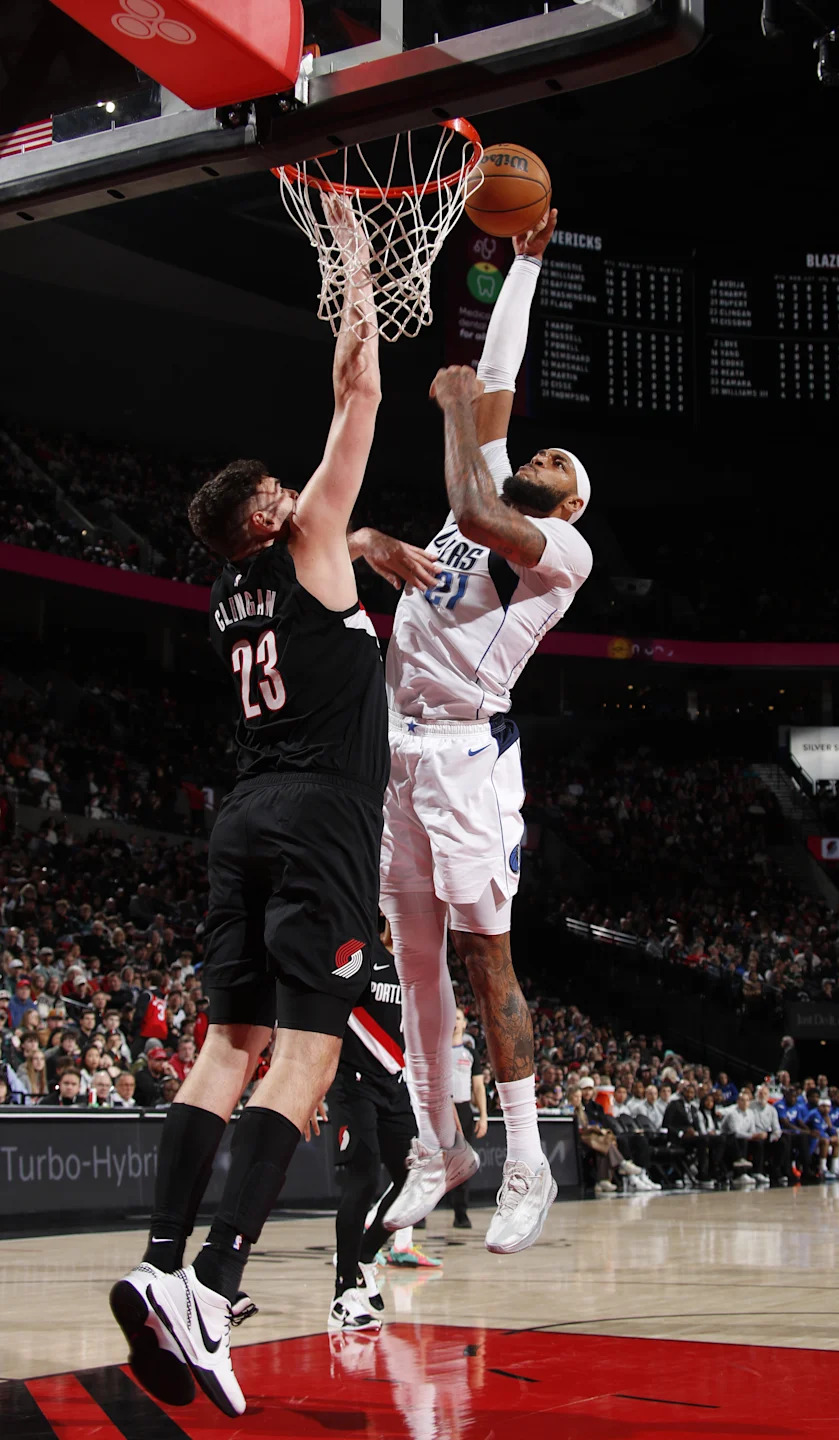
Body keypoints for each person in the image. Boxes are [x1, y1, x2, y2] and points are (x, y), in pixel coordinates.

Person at [108, 201, 428, 1421]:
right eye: (292, 492)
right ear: (269, 514)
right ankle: (215, 1287)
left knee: (221, 1050)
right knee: (308, 1051)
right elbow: (360, 390)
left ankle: (158, 1258)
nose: (309, 493)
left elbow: (331, 556)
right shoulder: (305, 541)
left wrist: (369, 544)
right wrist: (355, 259)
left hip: (240, 814)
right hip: (318, 816)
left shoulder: (227, 594)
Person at [379, 211, 592, 1254]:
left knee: (484, 961)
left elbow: (473, 482)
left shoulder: (553, 549)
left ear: (573, 502)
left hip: (468, 759)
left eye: (555, 457)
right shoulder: (492, 494)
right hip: (398, 749)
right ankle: (439, 1146)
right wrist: (526, 265)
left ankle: (528, 1164)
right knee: (413, 962)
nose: (538, 452)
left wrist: (459, 411)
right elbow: (499, 372)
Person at [325, 916, 424, 1332]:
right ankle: (343, 1292)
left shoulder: (416, 966)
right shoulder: (356, 951)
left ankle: (364, 1256)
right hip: (353, 1083)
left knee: (414, 1181)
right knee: (362, 1180)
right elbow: (326, 1011)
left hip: (394, 1084)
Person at [449, 1006, 488, 1229]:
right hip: (440, 1108)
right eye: (451, 1018)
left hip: (463, 1109)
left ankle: (460, 1213)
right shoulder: (435, 1049)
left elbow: (479, 1088)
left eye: (459, 1018)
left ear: (465, 1024)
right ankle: (419, 1215)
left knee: (462, 1163)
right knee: (431, 1162)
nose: (455, 1022)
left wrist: (482, 1116)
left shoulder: (470, 1054)